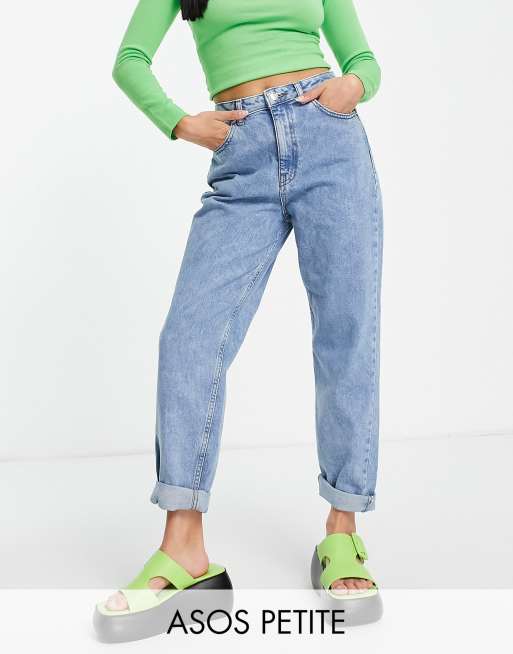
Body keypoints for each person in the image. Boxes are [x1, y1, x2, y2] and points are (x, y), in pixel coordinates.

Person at [105, 0, 383, 611]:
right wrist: (180, 123)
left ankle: (342, 531)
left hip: (329, 140)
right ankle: (184, 548)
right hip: (242, 154)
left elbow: (364, 59)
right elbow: (130, 60)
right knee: (189, 339)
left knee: (346, 335)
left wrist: (351, 86)